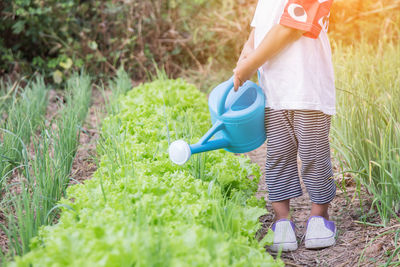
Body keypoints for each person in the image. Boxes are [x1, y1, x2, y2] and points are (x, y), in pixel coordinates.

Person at [233, 0, 337, 252]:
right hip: (274, 91)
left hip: (307, 88)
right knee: (278, 156)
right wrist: (247, 51)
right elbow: (258, 28)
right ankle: (282, 221)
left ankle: (318, 217)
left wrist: (249, 65)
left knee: (314, 155)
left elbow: (289, 27)